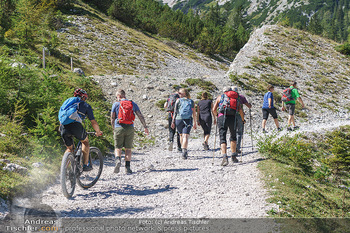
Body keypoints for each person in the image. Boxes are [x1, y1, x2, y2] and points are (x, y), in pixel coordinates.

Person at [59, 88, 103, 171]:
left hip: (63, 126)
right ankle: (85, 165)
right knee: (85, 142)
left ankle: (63, 170)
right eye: (85, 98)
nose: (85, 100)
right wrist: (98, 131)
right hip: (75, 126)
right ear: (83, 97)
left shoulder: (67, 103)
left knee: (69, 148)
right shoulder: (85, 105)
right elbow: (93, 122)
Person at [111, 89, 149, 174]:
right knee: (128, 149)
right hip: (130, 128)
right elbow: (140, 115)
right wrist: (145, 127)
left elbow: (112, 118)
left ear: (118, 96)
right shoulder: (132, 103)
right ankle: (127, 168)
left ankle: (118, 160)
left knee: (118, 148)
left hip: (119, 127)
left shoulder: (116, 104)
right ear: (124, 95)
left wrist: (113, 128)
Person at [213, 87, 245, 166]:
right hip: (232, 118)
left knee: (222, 136)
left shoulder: (220, 97)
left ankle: (224, 157)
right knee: (233, 136)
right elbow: (240, 110)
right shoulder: (236, 98)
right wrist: (242, 119)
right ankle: (233, 155)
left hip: (222, 117)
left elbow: (214, 109)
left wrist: (217, 115)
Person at [171, 88, 197, 159]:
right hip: (188, 120)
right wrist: (195, 122)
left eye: (180, 93)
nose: (178, 94)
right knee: (185, 136)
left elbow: (175, 112)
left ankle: (183, 150)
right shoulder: (191, 101)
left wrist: (173, 122)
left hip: (178, 119)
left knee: (181, 135)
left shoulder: (178, 101)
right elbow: (194, 113)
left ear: (184, 94)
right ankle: (184, 151)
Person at [231, 86, 252, 154]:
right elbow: (248, 106)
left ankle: (233, 148)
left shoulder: (228, 97)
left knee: (232, 132)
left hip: (230, 116)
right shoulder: (241, 97)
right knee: (239, 132)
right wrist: (250, 105)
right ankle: (237, 148)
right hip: (240, 115)